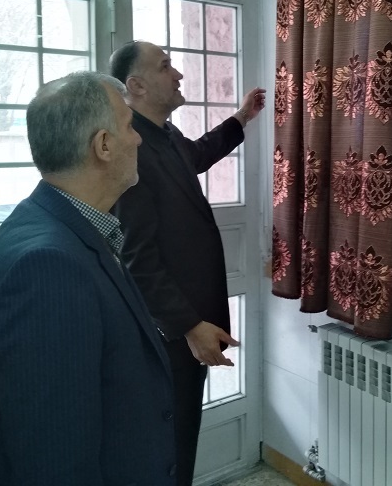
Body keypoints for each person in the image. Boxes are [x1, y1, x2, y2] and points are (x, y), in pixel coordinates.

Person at [0, 72, 178, 486]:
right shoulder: (47, 267)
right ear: (103, 145)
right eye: (130, 126)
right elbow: (54, 459)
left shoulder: (66, 225)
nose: (138, 140)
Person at [109, 41, 265, 486]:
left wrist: (241, 119)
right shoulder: (132, 150)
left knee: (181, 436)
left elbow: (196, 155)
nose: (178, 74)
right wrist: (190, 327)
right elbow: (137, 257)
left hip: (188, 322)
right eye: (165, 67)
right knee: (170, 444)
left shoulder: (165, 134)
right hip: (170, 331)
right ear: (137, 85)